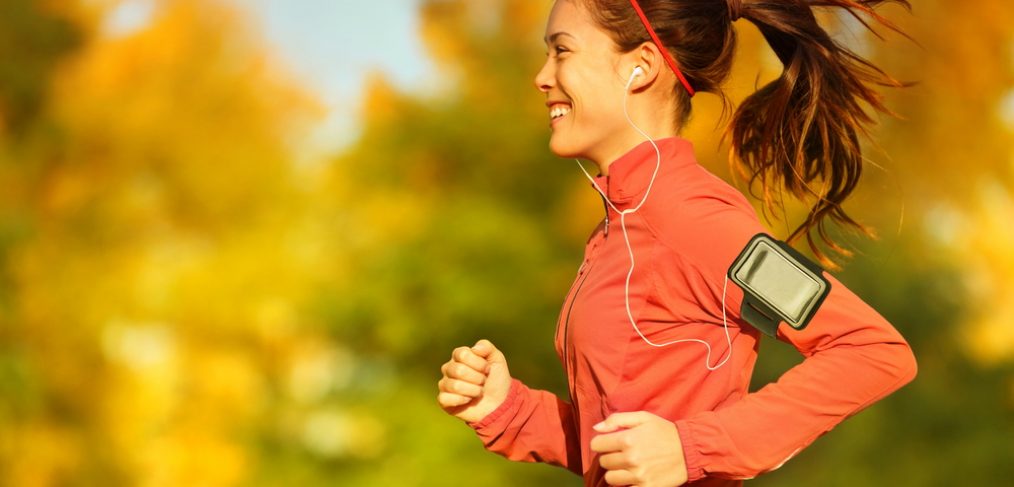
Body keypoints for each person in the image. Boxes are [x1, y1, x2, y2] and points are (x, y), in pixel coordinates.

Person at [437, 0, 917, 485]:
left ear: (641, 66)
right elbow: (616, 442)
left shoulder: (695, 218)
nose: (542, 77)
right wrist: (507, 409)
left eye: (562, 51)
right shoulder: (619, 224)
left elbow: (872, 350)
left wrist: (693, 449)